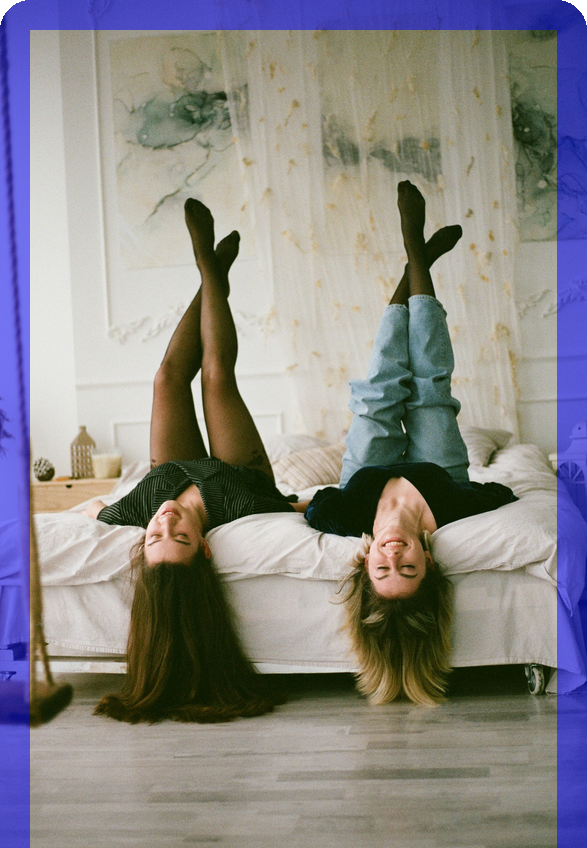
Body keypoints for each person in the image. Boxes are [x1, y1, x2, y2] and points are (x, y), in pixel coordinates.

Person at [87, 198, 305, 724]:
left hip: (173, 468)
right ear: (205, 548)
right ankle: (209, 266)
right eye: (180, 537)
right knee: (215, 377)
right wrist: (303, 507)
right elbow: (295, 512)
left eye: (154, 538)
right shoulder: (241, 510)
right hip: (237, 474)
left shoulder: (136, 514)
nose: (165, 522)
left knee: (166, 378)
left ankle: (213, 275)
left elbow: (97, 512)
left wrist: (88, 508)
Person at [305, 180, 517, 706]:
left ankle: (413, 259)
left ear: (365, 562)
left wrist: (296, 503)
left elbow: (315, 504)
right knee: (429, 387)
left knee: (380, 389)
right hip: (436, 474)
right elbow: (502, 494)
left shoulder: (345, 517)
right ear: (429, 561)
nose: (394, 555)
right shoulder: (454, 511)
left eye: (383, 569)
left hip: (365, 477)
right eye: (408, 568)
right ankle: (418, 253)